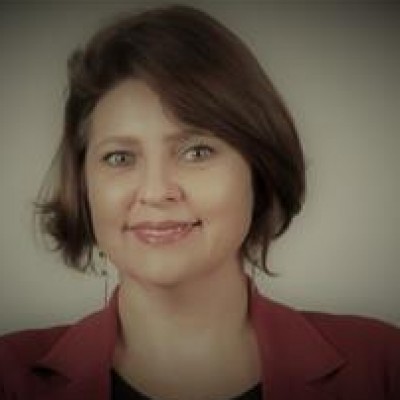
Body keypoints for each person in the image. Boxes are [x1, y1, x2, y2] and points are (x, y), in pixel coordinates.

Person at [0, 4, 399, 400]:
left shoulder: (382, 365)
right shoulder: (8, 375)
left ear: (259, 169)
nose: (156, 191)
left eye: (196, 152)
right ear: (84, 186)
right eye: (119, 158)